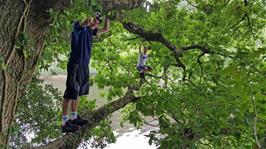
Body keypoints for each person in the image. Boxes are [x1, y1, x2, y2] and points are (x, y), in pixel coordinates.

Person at [61, 15, 110, 133]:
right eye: (94, 21)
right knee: (70, 93)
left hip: (84, 65)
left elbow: (106, 29)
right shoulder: (79, 28)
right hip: (75, 64)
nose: (95, 24)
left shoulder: (90, 32)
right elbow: (81, 25)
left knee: (78, 92)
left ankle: (74, 117)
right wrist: (87, 22)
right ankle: (64, 123)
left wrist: (108, 14)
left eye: (97, 23)